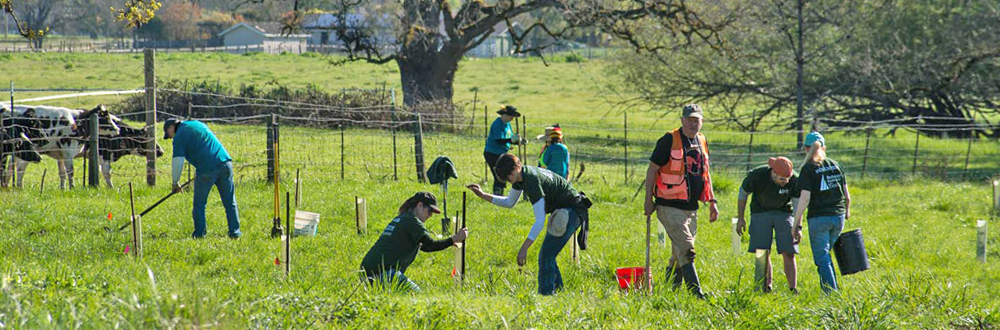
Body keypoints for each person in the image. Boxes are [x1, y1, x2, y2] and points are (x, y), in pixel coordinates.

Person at [467, 154, 590, 295]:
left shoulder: (531, 180)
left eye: (509, 175)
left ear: (517, 167)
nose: (509, 179)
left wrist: (524, 248)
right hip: (567, 210)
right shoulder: (520, 178)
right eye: (506, 178)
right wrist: (483, 195)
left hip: (572, 210)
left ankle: (547, 295)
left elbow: (540, 220)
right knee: (547, 254)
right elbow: (509, 202)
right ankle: (558, 292)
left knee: (546, 255)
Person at [643, 104, 718, 299]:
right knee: (686, 248)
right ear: (682, 120)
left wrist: (712, 202)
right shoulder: (668, 140)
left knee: (679, 254)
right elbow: (652, 169)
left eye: (697, 120)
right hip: (668, 205)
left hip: (691, 208)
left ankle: (670, 292)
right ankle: (696, 293)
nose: (694, 123)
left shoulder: (701, 140)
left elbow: (705, 173)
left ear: (701, 121)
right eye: (690, 119)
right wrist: (648, 200)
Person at [359, 192, 468, 292]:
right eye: (430, 211)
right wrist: (455, 238)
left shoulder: (403, 218)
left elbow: (424, 246)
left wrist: (449, 242)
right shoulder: (412, 220)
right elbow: (430, 244)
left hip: (367, 273)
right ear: (419, 206)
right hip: (383, 273)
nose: (430, 215)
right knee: (416, 295)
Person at [163, 118, 241, 239]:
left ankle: (199, 235)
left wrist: (175, 183)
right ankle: (235, 233)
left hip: (206, 170)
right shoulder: (196, 124)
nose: (171, 138)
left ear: (171, 128)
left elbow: (177, 161)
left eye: (169, 135)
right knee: (230, 202)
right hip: (225, 163)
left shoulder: (179, 136)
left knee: (199, 205)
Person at [793, 131, 851, 293]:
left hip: (819, 218)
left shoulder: (808, 168)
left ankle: (831, 293)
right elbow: (847, 196)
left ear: (805, 148)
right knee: (825, 255)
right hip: (838, 217)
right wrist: (846, 212)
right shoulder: (836, 165)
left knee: (822, 257)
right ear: (824, 147)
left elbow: (804, 199)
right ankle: (831, 288)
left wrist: (796, 222)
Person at [736, 156, 800, 293]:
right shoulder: (757, 175)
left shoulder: (794, 179)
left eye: (787, 179)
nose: (785, 182)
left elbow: (797, 203)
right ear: (774, 172)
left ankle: (792, 288)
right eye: (782, 179)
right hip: (760, 211)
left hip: (784, 212)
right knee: (762, 251)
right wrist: (740, 218)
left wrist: (797, 226)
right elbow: (742, 194)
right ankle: (764, 286)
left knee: (789, 251)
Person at [483, 105, 524, 195]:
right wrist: (511, 140)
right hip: (492, 153)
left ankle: (500, 195)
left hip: (501, 153)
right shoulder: (498, 124)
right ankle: (497, 195)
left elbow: (509, 139)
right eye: (511, 116)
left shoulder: (507, 125)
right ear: (504, 114)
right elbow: (499, 140)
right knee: (499, 176)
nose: (512, 118)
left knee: (504, 174)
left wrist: (518, 142)